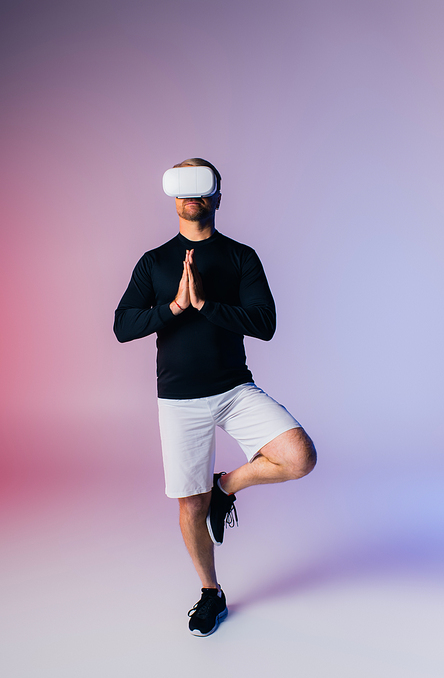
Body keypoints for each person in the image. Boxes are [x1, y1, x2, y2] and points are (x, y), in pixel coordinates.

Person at [114, 158, 316, 636]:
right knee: (190, 505)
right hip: (180, 399)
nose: (191, 195)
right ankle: (210, 592)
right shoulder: (155, 262)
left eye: (201, 185)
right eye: (182, 186)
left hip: (233, 388)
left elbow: (264, 324)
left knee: (299, 456)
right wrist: (175, 307)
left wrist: (206, 305)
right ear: (173, 197)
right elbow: (123, 327)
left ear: (217, 196)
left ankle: (227, 486)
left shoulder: (240, 257)